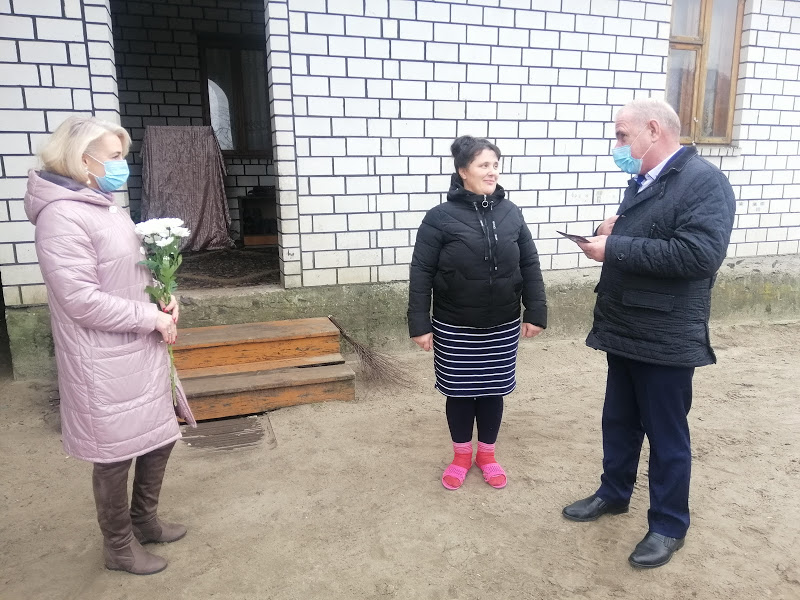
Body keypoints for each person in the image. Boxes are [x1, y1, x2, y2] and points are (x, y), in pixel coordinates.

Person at [562, 98, 735, 568]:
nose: (617, 144)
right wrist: (608, 230)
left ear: (653, 130)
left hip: (665, 334)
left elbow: (698, 256)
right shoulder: (643, 179)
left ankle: (669, 525)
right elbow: (647, 236)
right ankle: (614, 493)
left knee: (666, 435)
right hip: (625, 327)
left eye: (622, 135)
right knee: (618, 421)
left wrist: (615, 246)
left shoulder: (705, 182)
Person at [24, 116, 194, 575]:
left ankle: (145, 521)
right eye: (115, 157)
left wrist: (163, 294)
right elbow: (80, 300)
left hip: (137, 346)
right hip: (101, 356)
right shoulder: (61, 217)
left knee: (158, 437)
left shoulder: (105, 206)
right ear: (84, 161)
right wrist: (150, 317)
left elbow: (128, 271)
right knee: (116, 453)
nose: (123, 166)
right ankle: (118, 546)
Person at [408, 135, 547, 491]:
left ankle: (487, 456)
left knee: (491, 391)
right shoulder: (439, 218)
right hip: (454, 325)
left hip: (502, 323)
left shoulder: (511, 212)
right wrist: (420, 323)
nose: (492, 172)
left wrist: (535, 310)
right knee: (459, 392)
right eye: (484, 165)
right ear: (462, 171)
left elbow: (529, 263)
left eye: (495, 165)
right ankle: (460, 457)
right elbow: (421, 272)